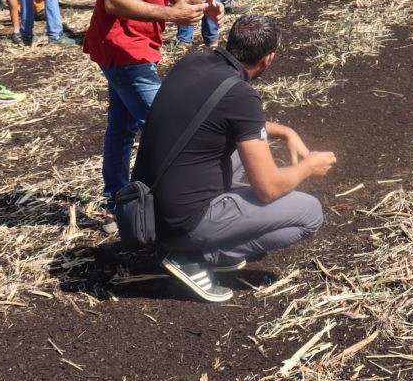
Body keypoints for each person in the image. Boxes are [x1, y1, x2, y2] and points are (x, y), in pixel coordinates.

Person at [135, 15, 336, 302]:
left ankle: (205, 237)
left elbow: (224, 122)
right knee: (309, 214)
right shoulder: (242, 96)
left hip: (149, 205)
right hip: (179, 223)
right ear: (268, 59)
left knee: (243, 154)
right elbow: (268, 188)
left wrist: (286, 132)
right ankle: (197, 255)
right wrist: (308, 166)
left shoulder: (192, 63)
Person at [83, 0, 225, 231]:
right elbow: (114, 0)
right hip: (122, 46)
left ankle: (117, 201)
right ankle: (175, 206)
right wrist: (172, 15)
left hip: (138, 44)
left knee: (121, 126)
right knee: (168, 126)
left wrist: (199, 5)